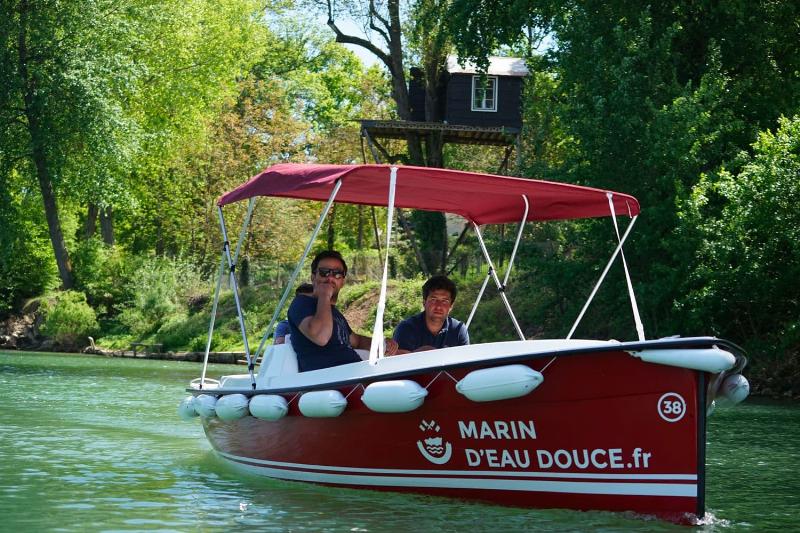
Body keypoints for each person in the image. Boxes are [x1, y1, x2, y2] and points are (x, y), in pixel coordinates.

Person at [288, 250, 399, 372]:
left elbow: (356, 341)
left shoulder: (333, 313)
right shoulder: (301, 303)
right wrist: (324, 295)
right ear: (313, 277)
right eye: (324, 272)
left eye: (337, 274)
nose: (330, 278)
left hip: (355, 374)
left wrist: (382, 344)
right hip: (330, 383)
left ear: (342, 281)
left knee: (406, 358)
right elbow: (321, 337)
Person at [393, 275, 469, 352]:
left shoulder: (458, 330)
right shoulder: (406, 328)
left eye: (444, 301)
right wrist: (420, 354)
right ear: (424, 302)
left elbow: (466, 362)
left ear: (451, 306)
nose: (439, 306)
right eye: (433, 300)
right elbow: (397, 361)